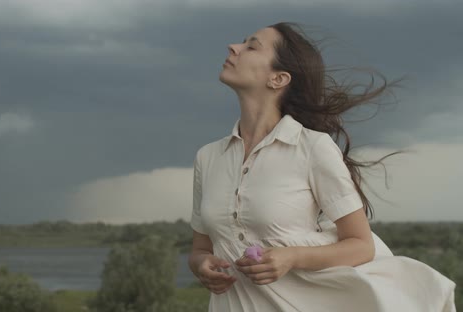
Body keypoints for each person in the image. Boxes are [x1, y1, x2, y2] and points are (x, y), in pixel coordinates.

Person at [187, 22, 457, 312]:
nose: (233, 47)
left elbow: (360, 245)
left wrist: (291, 257)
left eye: (251, 46)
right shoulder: (208, 157)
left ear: (278, 78)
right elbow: (200, 248)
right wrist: (201, 264)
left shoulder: (312, 147)